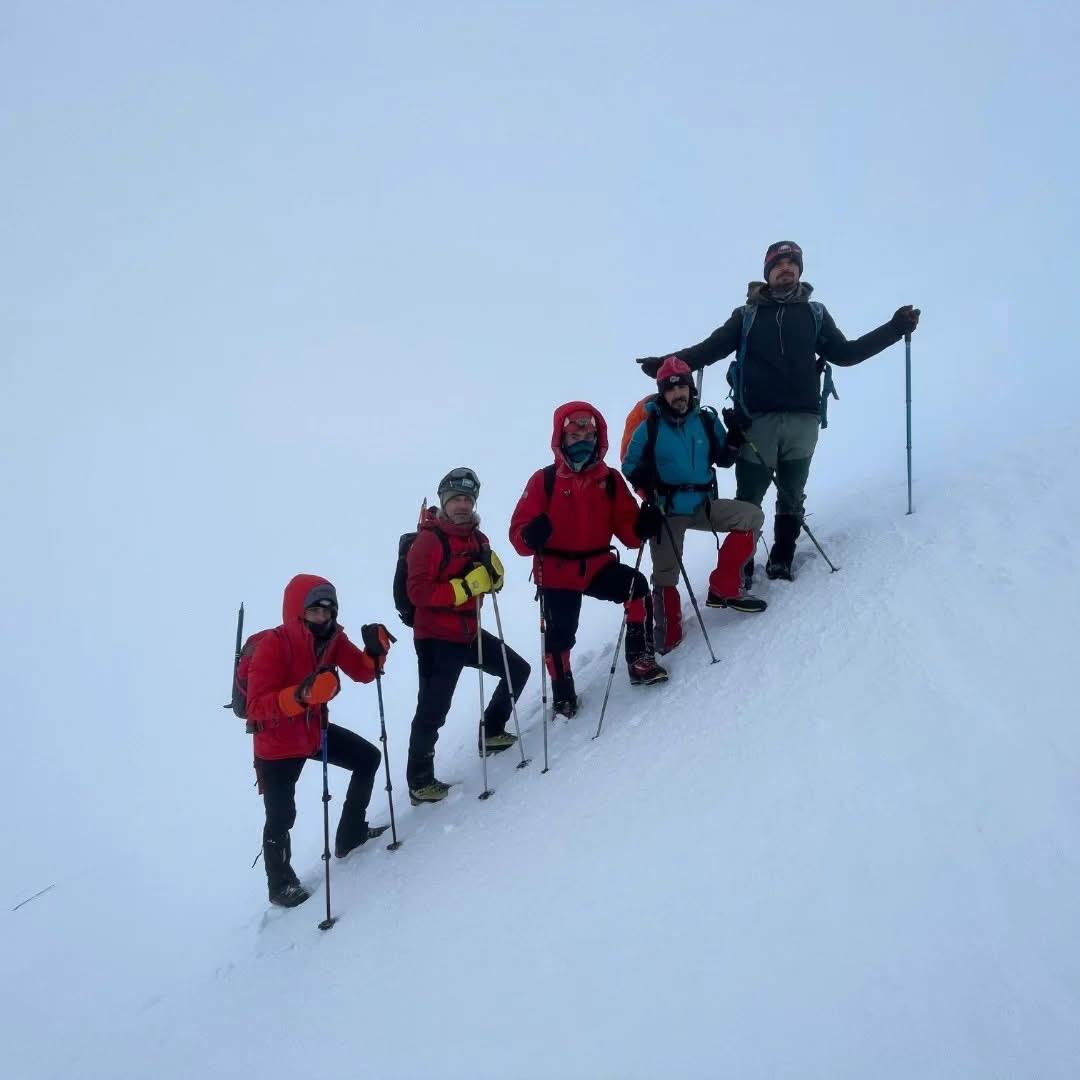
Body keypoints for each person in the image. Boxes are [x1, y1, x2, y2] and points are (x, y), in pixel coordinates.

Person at [636, 240, 920, 581]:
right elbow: (708, 350)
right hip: (757, 422)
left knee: (792, 492)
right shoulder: (747, 316)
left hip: (804, 420)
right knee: (749, 498)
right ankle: (741, 565)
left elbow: (846, 354)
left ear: (800, 269)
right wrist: (666, 364)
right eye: (778, 264)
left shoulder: (815, 313)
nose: (786, 268)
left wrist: (893, 328)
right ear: (768, 272)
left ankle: (782, 555)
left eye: (792, 263)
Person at [509, 402, 667, 719]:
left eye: (588, 433)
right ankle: (563, 692)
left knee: (636, 586)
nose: (582, 439)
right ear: (561, 438)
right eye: (574, 433)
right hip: (556, 572)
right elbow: (518, 536)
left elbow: (629, 534)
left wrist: (642, 524)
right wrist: (530, 536)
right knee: (560, 636)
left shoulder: (608, 480)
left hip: (597, 565)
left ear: (598, 437)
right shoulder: (544, 481)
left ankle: (639, 659)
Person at [245, 574, 393, 908]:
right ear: (298, 611)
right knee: (282, 816)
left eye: (329, 610)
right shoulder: (274, 645)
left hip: (313, 733)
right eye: (315, 610)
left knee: (367, 759)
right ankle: (280, 885)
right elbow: (256, 707)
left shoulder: (333, 640)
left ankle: (350, 834)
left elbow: (363, 672)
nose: (323, 617)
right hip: (277, 746)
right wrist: (303, 695)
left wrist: (377, 651)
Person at [623, 359, 766, 654]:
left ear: (690, 388)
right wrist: (644, 478)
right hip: (667, 508)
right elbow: (629, 465)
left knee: (751, 516)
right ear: (662, 393)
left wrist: (735, 440)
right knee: (665, 576)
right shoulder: (649, 426)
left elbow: (723, 459)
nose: (678, 394)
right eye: (671, 389)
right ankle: (669, 633)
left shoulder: (705, 420)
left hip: (703, 503)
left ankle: (723, 587)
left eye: (682, 386)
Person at [405, 467, 530, 804]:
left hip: (469, 632)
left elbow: (490, 579)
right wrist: (464, 587)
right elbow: (416, 592)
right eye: (455, 499)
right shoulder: (428, 541)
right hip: (436, 638)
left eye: (467, 499)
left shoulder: (478, 538)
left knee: (517, 670)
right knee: (434, 708)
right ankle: (419, 781)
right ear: (444, 503)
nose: (462, 505)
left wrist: (494, 580)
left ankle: (490, 732)